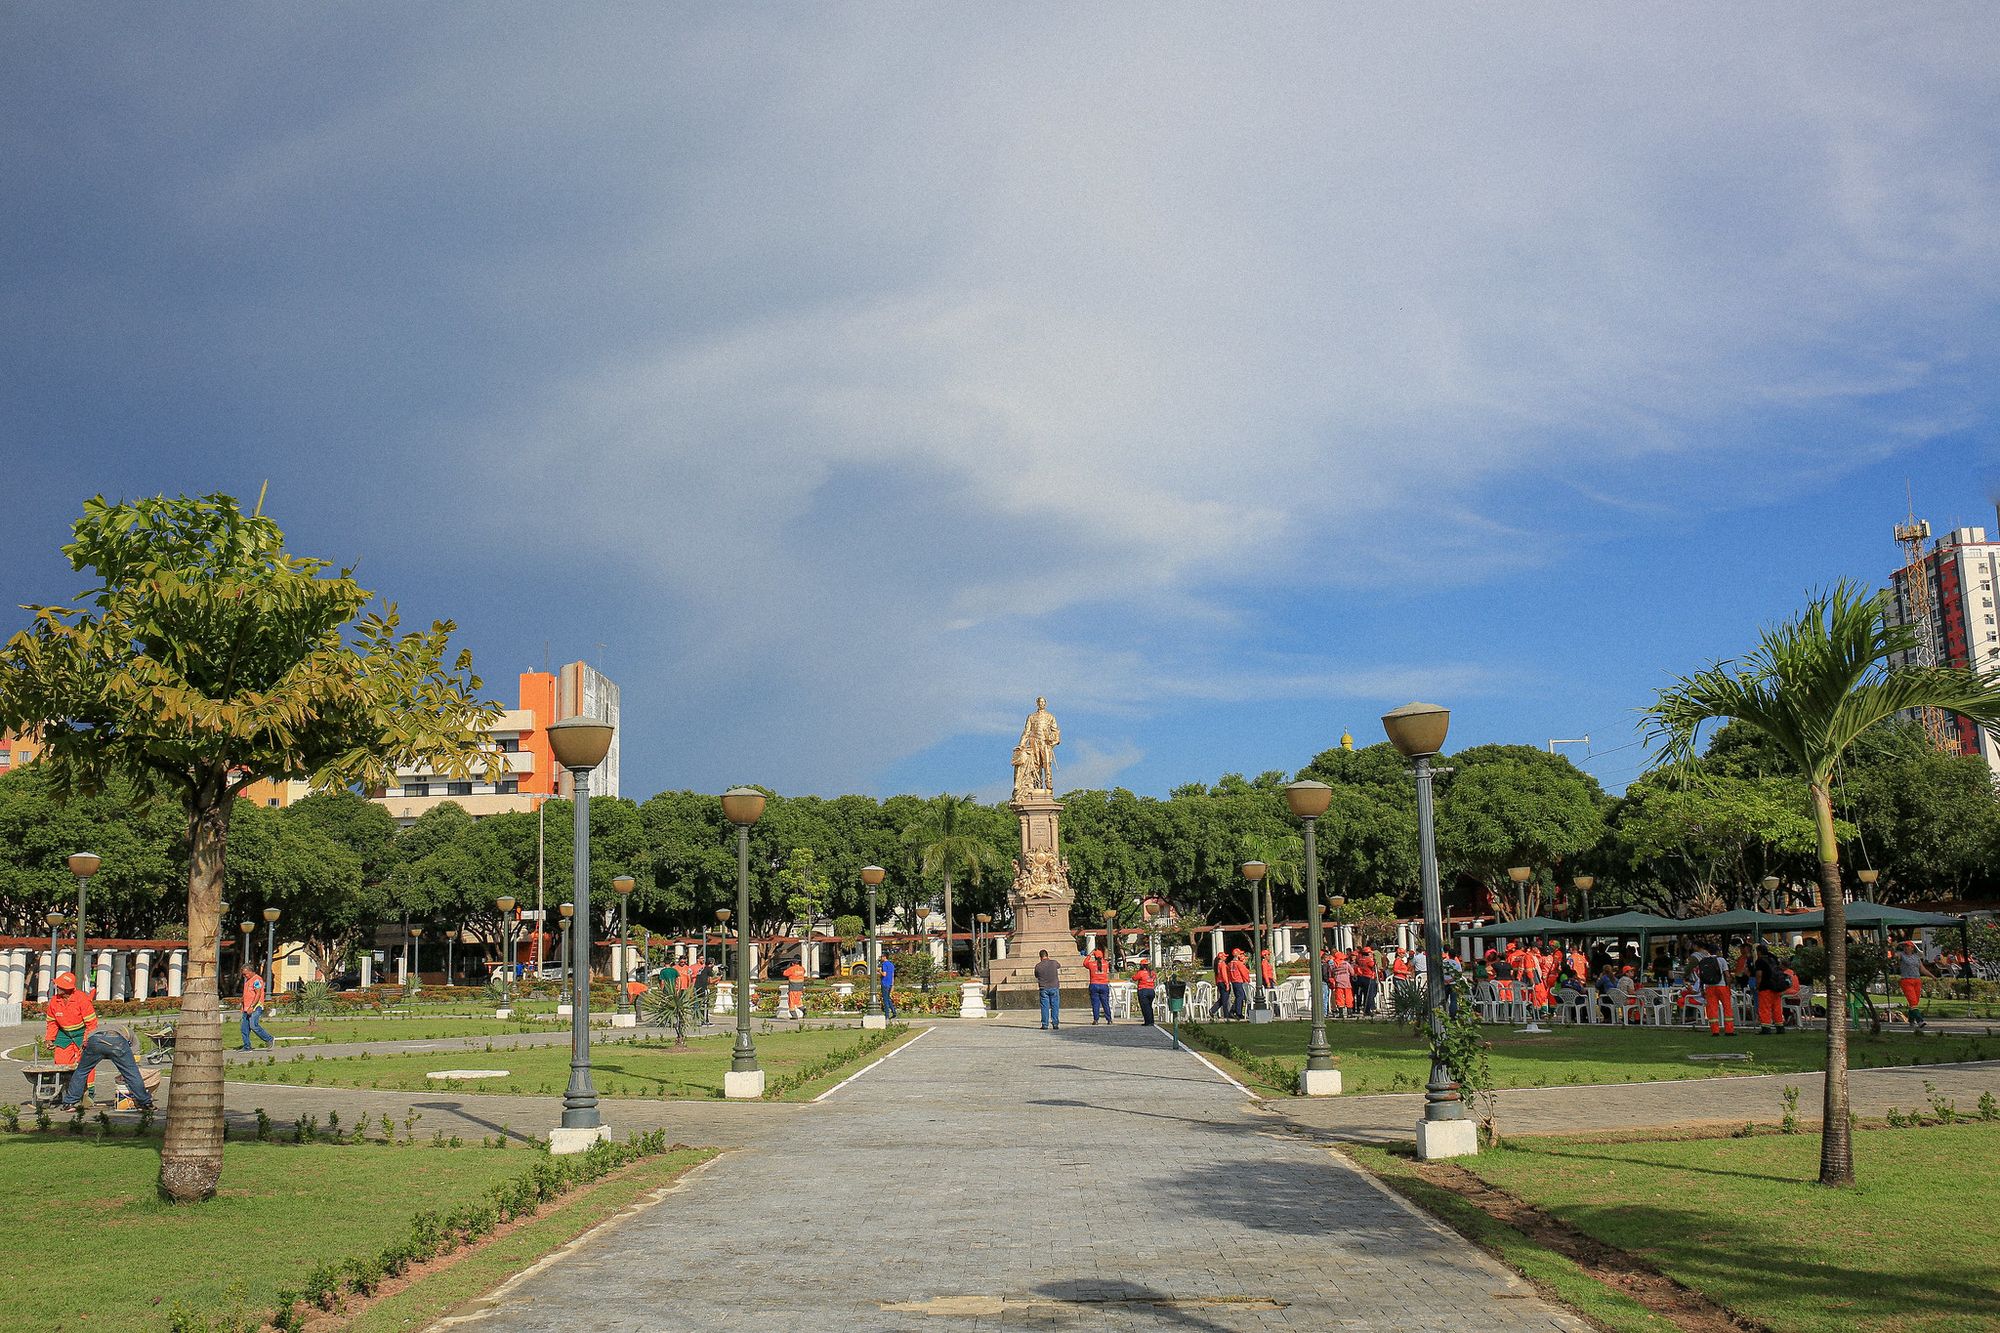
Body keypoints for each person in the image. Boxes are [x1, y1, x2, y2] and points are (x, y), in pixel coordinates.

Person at [58, 1023, 156, 1113]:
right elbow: (135, 1052)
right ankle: (146, 1103)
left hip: (95, 1041)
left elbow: (87, 1044)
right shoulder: (131, 1034)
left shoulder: (98, 1029)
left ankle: (69, 1103)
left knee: (82, 1071)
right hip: (117, 1041)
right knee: (132, 1073)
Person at [44, 970, 98, 1094]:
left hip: (81, 1034)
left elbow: (91, 1024)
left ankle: (88, 1093)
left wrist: (86, 1040)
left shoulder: (82, 999)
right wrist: (49, 1038)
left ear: (68, 989)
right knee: (61, 1062)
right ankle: (64, 1090)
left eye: (60, 986)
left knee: (86, 1063)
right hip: (64, 1035)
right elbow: (52, 1023)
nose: (57, 987)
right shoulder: (54, 1001)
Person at [1690, 944, 1735, 1036]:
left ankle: (1715, 1031)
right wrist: (1728, 986)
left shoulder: (1703, 961)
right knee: (1727, 1008)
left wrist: (1702, 989)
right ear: (1718, 951)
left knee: (1712, 1009)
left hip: (1709, 987)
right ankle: (1729, 1030)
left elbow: (1701, 976)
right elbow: (1727, 974)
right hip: (1722, 986)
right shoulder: (1722, 960)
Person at [1896, 939, 1935, 1030]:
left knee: (1914, 1002)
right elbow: (1895, 956)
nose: (1906, 948)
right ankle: (1920, 1020)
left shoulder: (1916, 957)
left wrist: (1932, 976)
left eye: (1908, 946)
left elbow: (1922, 969)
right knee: (1913, 1001)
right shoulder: (1901, 955)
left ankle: (1911, 1020)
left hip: (1917, 980)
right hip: (1906, 980)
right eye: (1905, 946)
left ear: (1912, 948)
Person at [1752, 944, 1788, 1034]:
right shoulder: (1773, 959)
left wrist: (1757, 985)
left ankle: (1766, 1027)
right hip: (1776, 987)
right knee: (1776, 1007)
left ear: (1759, 952)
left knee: (1765, 1008)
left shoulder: (1760, 961)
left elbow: (1759, 974)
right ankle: (1780, 1026)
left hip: (1765, 987)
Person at [240, 966, 275, 1051]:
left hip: (255, 1007)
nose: (244, 976)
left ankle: (269, 1039)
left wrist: (252, 1006)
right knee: (244, 1028)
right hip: (246, 1008)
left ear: (251, 971)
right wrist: (243, 1005)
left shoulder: (257, 980)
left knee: (253, 1025)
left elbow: (258, 994)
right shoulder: (248, 981)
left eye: (245, 974)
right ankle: (247, 1046)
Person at [1034, 949, 1061, 1030]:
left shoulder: (1038, 966)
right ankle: (1055, 1023)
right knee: (1055, 1006)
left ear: (1040, 957)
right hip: (1054, 987)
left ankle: (1045, 1024)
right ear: (1047, 955)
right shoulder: (1054, 962)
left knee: (1044, 1007)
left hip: (1044, 988)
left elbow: (1036, 975)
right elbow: (1059, 966)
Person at [1084, 947, 1113, 1024]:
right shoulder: (1106, 964)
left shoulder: (1091, 964)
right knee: (1105, 1003)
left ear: (1095, 956)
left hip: (1094, 985)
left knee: (1095, 1003)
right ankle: (1109, 1019)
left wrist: (1089, 955)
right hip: (1104, 985)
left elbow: (1084, 963)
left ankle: (1096, 1020)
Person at [1226, 948, 1251, 1019]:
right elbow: (1244, 973)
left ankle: (1234, 1011)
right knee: (1241, 997)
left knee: (1238, 997)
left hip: (1233, 982)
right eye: (1240, 954)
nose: (1241, 955)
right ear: (1237, 955)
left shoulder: (1230, 963)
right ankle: (1238, 1012)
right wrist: (1247, 980)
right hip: (1239, 981)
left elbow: (1228, 973)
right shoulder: (1239, 964)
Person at [1132, 960, 1157, 1025]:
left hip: (1143, 991)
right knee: (1149, 1006)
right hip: (1151, 991)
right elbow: (1154, 978)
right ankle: (1151, 1021)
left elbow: (1134, 978)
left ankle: (1148, 1022)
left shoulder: (1141, 972)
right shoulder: (1152, 973)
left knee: (1145, 1007)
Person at [879, 953, 898, 1020]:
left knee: (885, 1000)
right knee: (888, 998)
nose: (881, 958)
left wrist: (879, 971)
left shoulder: (884, 964)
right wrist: (892, 984)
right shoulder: (891, 964)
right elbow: (892, 975)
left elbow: (884, 974)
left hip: (885, 983)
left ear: (884, 957)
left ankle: (887, 1015)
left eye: (881, 957)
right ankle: (894, 1012)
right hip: (890, 983)